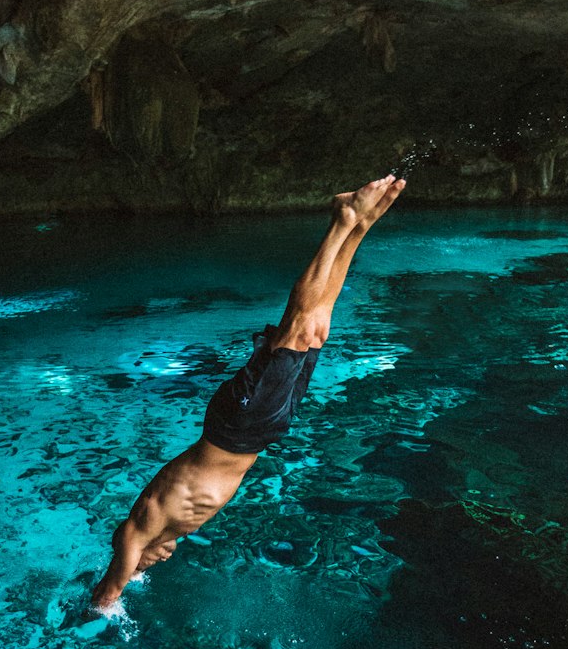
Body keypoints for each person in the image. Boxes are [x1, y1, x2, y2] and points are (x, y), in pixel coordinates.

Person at [90, 175, 406, 613]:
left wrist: (110, 601)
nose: (157, 562)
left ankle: (342, 220)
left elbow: (108, 591)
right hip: (255, 430)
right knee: (316, 331)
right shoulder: (166, 530)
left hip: (237, 425)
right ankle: (360, 226)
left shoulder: (136, 531)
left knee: (297, 328)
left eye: (146, 566)